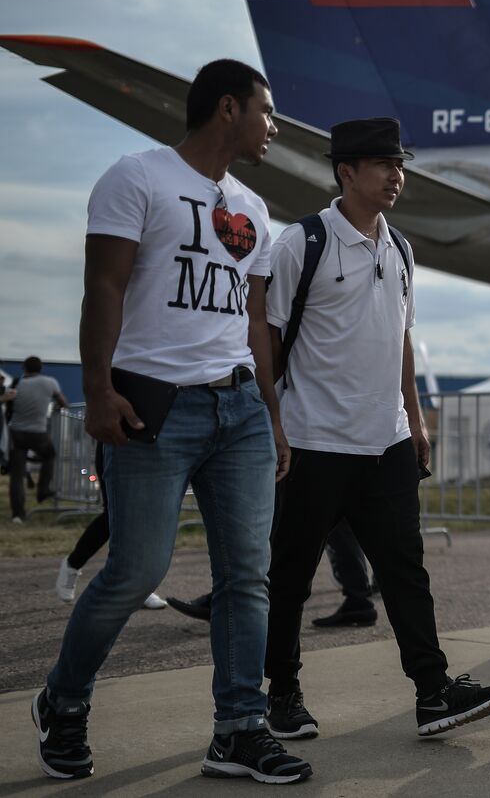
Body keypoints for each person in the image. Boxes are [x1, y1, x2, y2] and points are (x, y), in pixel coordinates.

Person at [32, 59, 312, 784]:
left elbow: (255, 323)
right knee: (135, 570)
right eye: (267, 110)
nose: (275, 126)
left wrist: (272, 416)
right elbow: (105, 287)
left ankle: (239, 729)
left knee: (248, 576)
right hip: (153, 405)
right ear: (228, 107)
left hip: (240, 409)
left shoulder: (253, 205)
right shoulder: (138, 177)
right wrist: (96, 390)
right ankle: (63, 699)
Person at [261, 117, 490, 742]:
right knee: (290, 577)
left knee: (406, 572)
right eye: (382, 165)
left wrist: (416, 419)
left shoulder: (399, 247)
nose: (396, 175)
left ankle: (433, 692)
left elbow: (401, 338)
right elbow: (263, 338)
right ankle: (282, 695)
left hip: (388, 442)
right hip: (314, 442)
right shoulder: (302, 242)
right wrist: (272, 423)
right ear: (346, 171)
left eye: (399, 164)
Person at [164, 524, 376, 626]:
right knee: (333, 517)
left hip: (307, 445)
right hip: (329, 446)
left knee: (279, 521)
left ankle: (233, 597)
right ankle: (358, 600)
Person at [56, 445, 167, 610]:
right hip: (116, 443)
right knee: (114, 513)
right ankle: (73, 563)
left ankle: (139, 587)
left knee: (144, 515)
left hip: (153, 447)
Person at [6, 357, 67, 523]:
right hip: (38, 432)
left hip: (16, 432)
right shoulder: (50, 382)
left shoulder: (17, 383)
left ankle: (18, 514)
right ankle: (43, 489)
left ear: (24, 368)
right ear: (41, 368)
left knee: (17, 475)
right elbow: (63, 402)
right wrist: (57, 407)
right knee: (49, 455)